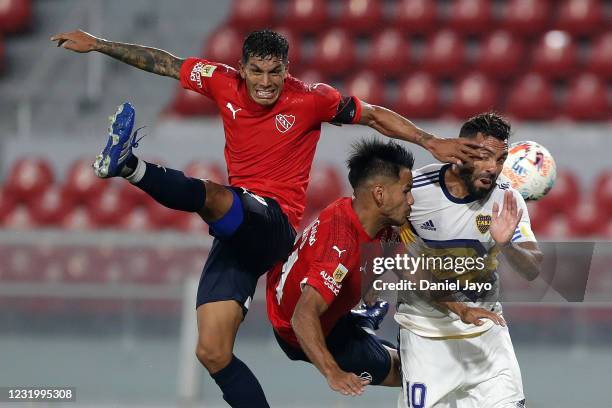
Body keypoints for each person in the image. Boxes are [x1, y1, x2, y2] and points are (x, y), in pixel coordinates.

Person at [50, 28, 481, 407]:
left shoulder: (311, 99)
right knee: (212, 352)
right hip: (238, 231)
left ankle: (129, 166)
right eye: (256, 71)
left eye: (275, 72)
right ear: (241, 68)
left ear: (286, 68)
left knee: (216, 197)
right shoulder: (221, 82)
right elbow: (166, 62)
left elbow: (371, 115)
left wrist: (430, 141)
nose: (265, 82)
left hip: (274, 223)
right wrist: (100, 45)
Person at [394, 112, 543, 408]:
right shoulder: (415, 192)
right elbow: (399, 262)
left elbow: (533, 268)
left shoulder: (508, 199)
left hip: (486, 334)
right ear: (460, 153)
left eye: (500, 160)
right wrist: (458, 308)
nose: (493, 168)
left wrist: (507, 246)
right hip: (426, 334)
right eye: (484, 157)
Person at [267, 139, 413, 397]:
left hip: (323, 309)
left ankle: (364, 318)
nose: (411, 200)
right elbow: (302, 317)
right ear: (379, 194)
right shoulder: (340, 245)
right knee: (407, 370)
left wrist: (462, 301)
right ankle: (364, 322)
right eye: (406, 191)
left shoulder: (358, 213)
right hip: (302, 334)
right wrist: (332, 371)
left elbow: (414, 273)